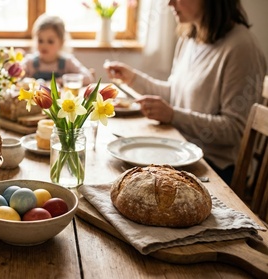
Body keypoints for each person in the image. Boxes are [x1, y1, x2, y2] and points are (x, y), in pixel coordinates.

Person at [105, 0, 266, 185]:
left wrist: (173, 115)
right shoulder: (189, 37)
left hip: (216, 168)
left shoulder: (241, 47)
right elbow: (175, 93)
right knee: (116, 168)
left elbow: (234, 130)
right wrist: (132, 78)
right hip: (181, 150)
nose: (169, 3)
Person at [21, 14, 94, 86]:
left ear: (61, 42)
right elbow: (15, 78)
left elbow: (88, 78)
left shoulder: (67, 62)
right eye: (40, 41)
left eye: (50, 41)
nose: (44, 45)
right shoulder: (30, 62)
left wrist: (61, 81)